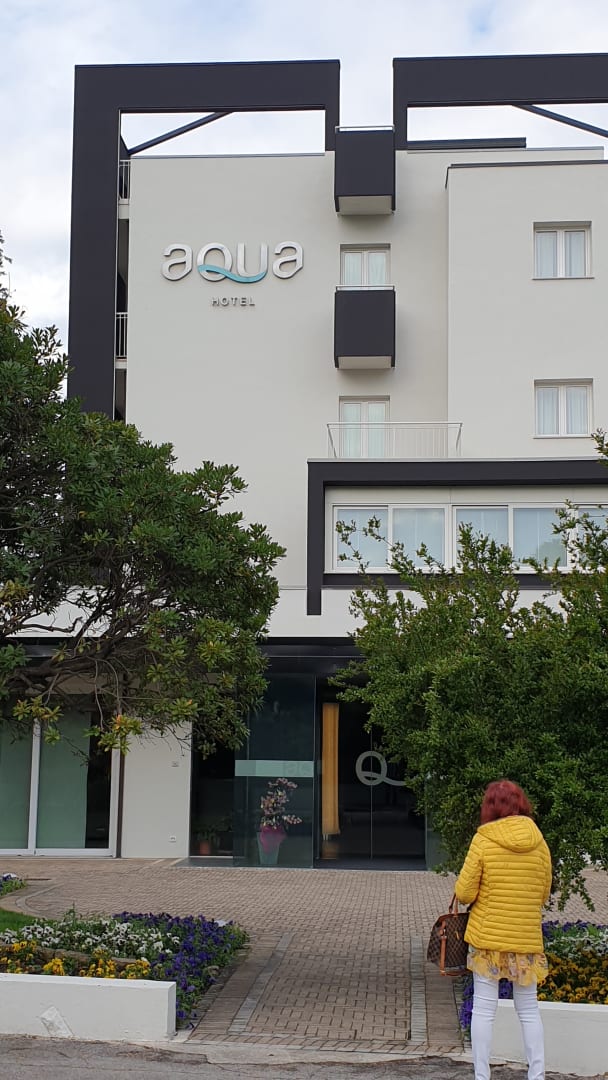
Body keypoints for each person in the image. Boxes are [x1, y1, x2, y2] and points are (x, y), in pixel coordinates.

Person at [454, 779, 552, 1080]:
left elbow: (465, 893)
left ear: (490, 807)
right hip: (525, 938)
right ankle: (537, 1075)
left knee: (484, 1010)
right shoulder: (539, 842)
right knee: (529, 1010)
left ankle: (482, 1076)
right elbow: (544, 894)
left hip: (488, 939)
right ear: (521, 804)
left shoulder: (483, 840)